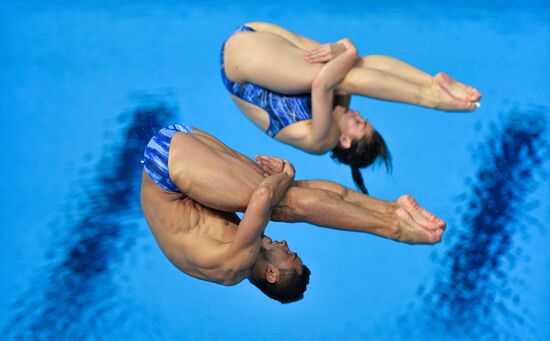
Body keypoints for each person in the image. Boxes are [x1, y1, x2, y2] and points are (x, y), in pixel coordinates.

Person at [140, 124, 446, 302]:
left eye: (290, 255)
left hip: (167, 168)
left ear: (271, 274)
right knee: (291, 194)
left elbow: (263, 196)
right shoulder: (239, 256)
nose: (286, 246)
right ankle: (390, 208)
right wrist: (286, 180)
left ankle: (390, 226)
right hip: (176, 155)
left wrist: (286, 174)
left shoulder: (236, 263)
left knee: (283, 203)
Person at [220, 22, 482, 194]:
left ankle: (432, 97)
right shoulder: (337, 112)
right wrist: (346, 52)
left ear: (344, 140)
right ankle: (430, 81)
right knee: (355, 68)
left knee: (345, 74)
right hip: (253, 39)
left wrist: (347, 50)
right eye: (362, 119)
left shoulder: (323, 140)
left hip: (241, 63)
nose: (357, 114)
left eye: (359, 124)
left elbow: (323, 84)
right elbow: (345, 65)